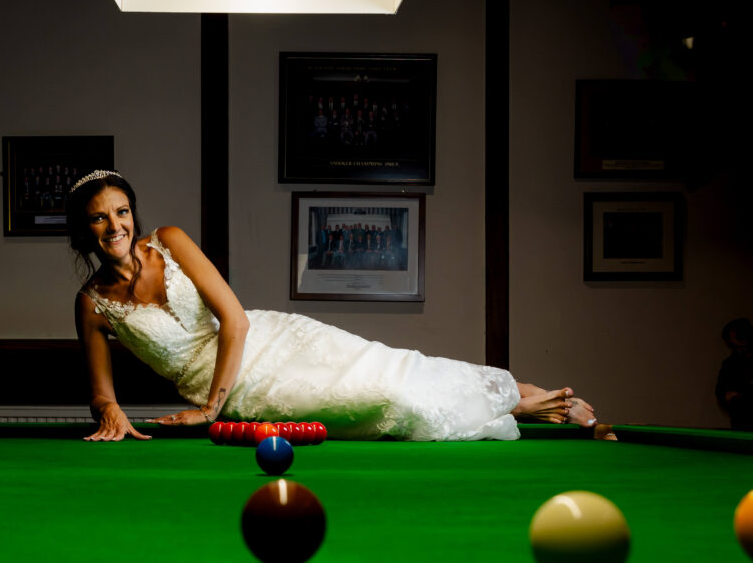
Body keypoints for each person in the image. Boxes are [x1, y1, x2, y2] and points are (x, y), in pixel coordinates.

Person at [70, 170, 598, 442]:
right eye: (99, 218)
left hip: (267, 341)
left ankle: (522, 395)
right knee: (387, 402)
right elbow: (100, 393)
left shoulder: (170, 239)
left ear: (134, 213)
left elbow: (234, 319)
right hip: (246, 392)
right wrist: (109, 411)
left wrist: (210, 409)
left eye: (122, 211)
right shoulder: (92, 304)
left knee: (394, 369)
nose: (115, 226)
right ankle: (519, 405)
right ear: (84, 228)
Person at [716, 318, 753, 431]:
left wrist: (741, 395)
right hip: (740, 426)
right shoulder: (729, 364)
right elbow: (721, 393)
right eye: (733, 346)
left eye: (741, 344)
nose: (739, 350)